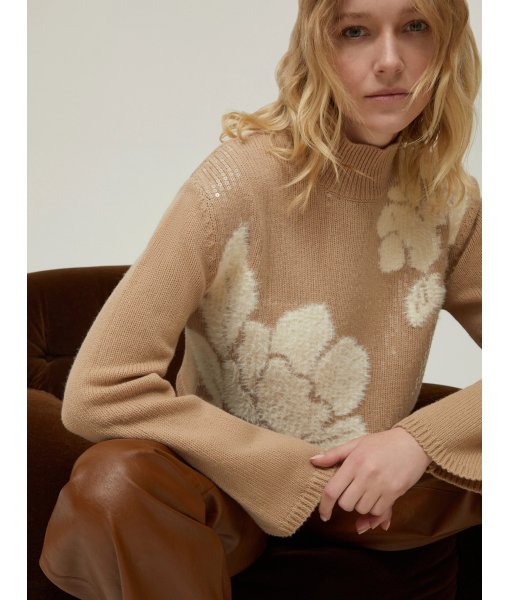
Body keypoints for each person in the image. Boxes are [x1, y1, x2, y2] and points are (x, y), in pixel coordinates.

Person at [39, 0, 482, 598]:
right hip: (221, 497)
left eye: (415, 27)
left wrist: (414, 443)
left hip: (373, 509)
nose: (389, 60)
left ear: (448, 43)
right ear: (316, 47)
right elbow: (98, 390)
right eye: (355, 31)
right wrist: (288, 473)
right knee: (112, 482)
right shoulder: (239, 179)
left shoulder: (450, 200)